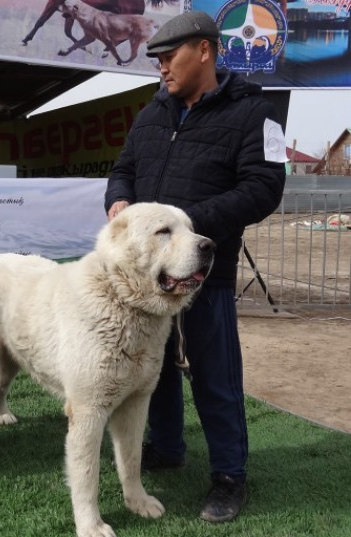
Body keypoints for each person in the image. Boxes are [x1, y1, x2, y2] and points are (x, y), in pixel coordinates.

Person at [104, 11, 287, 524]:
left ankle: (229, 477)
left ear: (203, 50)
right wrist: (118, 199)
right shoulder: (152, 113)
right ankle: (167, 448)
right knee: (154, 370)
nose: (162, 68)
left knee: (215, 377)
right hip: (147, 281)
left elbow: (263, 189)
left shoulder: (255, 112)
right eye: (158, 60)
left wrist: (183, 229)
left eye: (169, 57)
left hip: (207, 275)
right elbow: (123, 169)